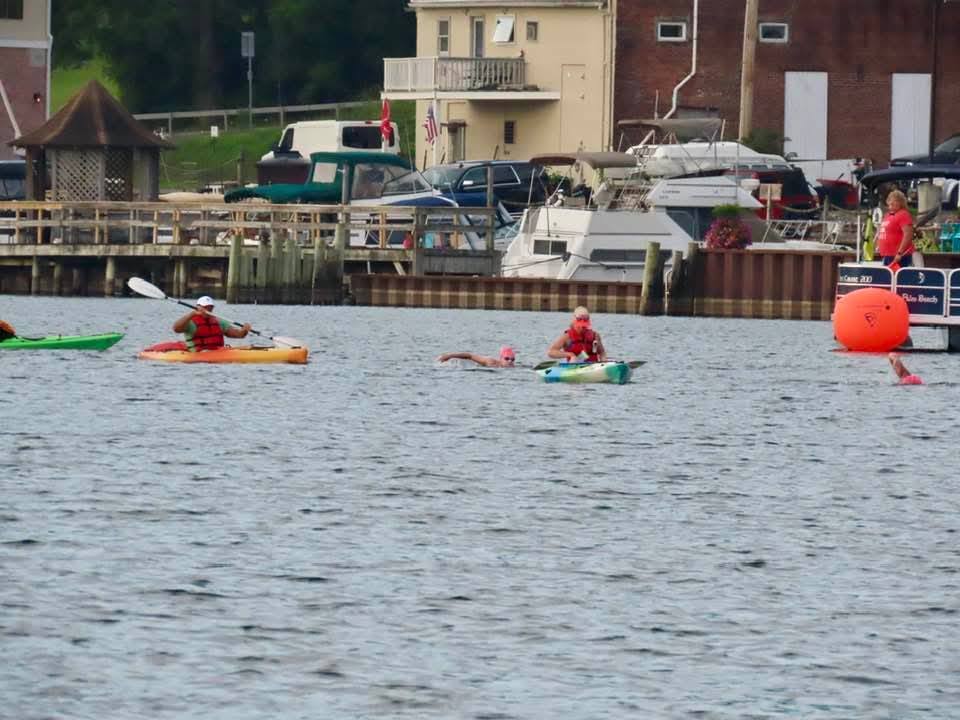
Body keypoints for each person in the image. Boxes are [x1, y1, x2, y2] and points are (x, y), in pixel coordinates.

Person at [172, 296, 250, 352]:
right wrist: (192, 314)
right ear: (198, 307)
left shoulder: (219, 322)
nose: (208, 309)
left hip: (218, 352)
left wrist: (244, 330)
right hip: (198, 354)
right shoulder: (191, 322)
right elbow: (176, 329)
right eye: (205, 307)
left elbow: (239, 335)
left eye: (210, 307)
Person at [876, 189, 915, 268]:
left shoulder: (903, 214)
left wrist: (900, 253)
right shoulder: (887, 215)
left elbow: (908, 235)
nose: (892, 202)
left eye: (895, 200)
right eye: (890, 200)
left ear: (901, 203)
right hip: (887, 255)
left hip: (898, 256)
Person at [438, 345, 516, 368]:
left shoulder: (513, 367)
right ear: (501, 358)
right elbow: (469, 355)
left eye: (512, 359)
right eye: (507, 358)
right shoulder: (490, 361)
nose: (510, 361)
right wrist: (450, 355)